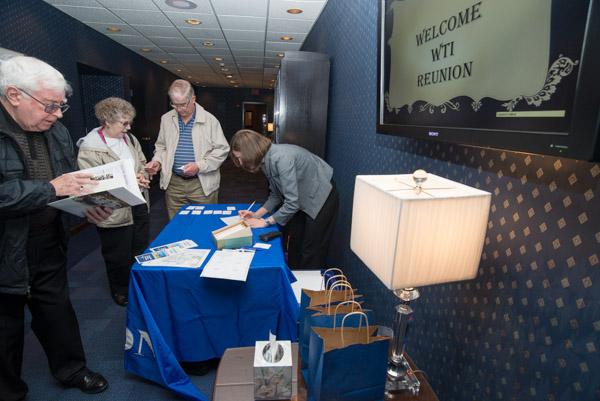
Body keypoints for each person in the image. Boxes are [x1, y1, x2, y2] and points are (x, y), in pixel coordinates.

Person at [0, 55, 112, 399]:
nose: (59, 114)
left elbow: (69, 181)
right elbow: (50, 186)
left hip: (49, 239)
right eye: (50, 106)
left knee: (57, 313)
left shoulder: (57, 130)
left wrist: (85, 207)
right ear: (14, 95)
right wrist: (52, 189)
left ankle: (71, 370)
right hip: (5, 247)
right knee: (6, 328)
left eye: (61, 105)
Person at [77, 97, 150, 307]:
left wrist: (142, 174)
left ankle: (138, 286)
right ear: (107, 121)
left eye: (129, 123)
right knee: (117, 255)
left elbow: (141, 163)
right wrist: (128, 180)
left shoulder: (131, 139)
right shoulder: (90, 147)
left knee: (139, 249)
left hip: (138, 203)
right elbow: (90, 183)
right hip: (113, 211)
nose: (128, 127)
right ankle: (121, 290)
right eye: (124, 123)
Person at [230, 129, 339, 270]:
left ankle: (307, 288)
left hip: (322, 197)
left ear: (250, 152)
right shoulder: (264, 160)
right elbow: (276, 194)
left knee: (311, 250)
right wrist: (257, 215)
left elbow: (292, 204)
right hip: (301, 197)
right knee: (295, 245)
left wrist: (264, 222)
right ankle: (293, 279)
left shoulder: (282, 159)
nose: (240, 162)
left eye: (240, 157)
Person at [144, 79, 229, 219]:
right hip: (174, 184)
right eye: (174, 104)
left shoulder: (210, 120)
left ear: (193, 99)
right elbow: (161, 146)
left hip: (201, 184)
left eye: (183, 104)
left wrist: (199, 166)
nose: (178, 109)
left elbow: (222, 150)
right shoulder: (166, 119)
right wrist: (157, 161)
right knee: (176, 225)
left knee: (203, 224)